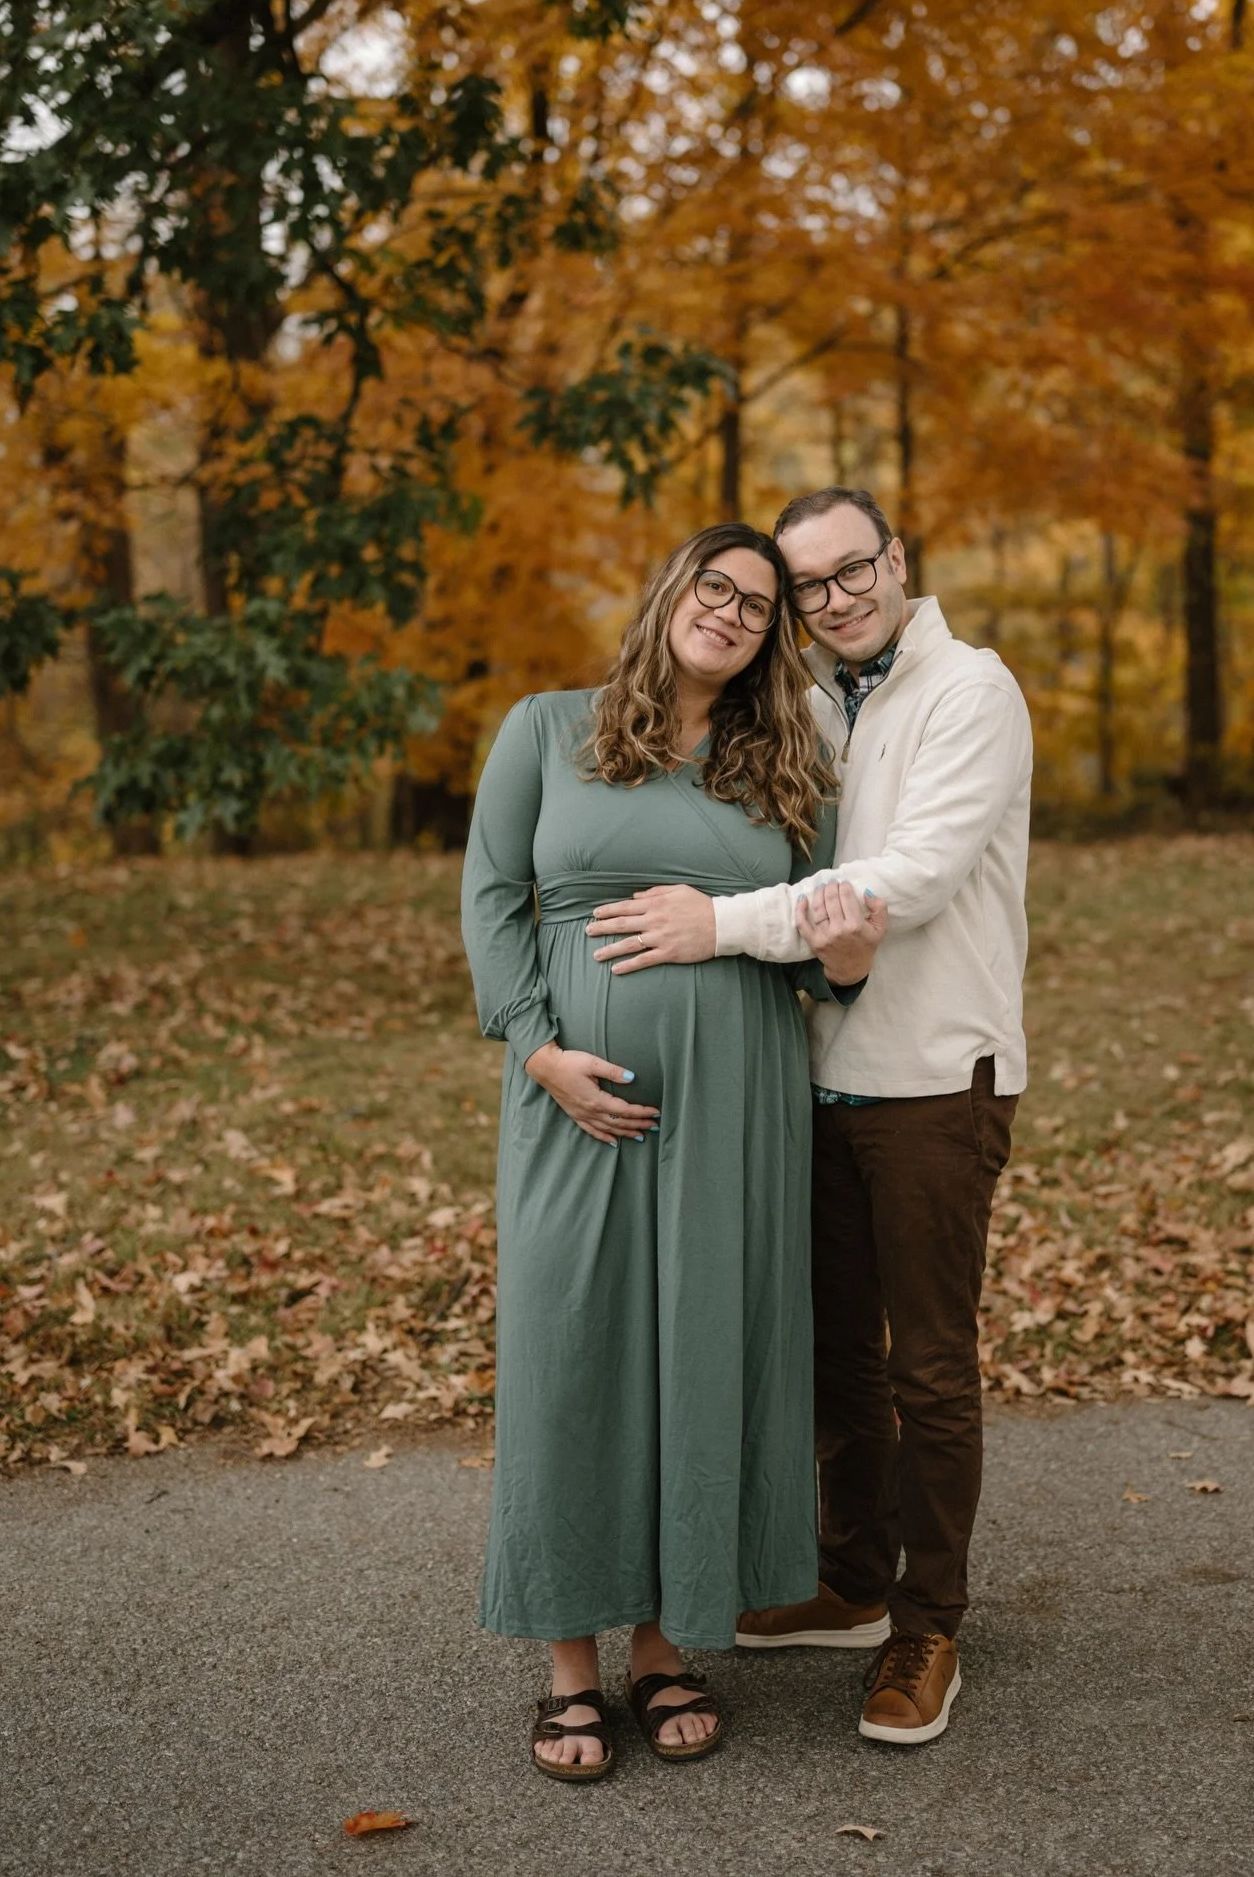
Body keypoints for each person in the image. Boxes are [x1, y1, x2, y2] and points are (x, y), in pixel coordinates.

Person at [586, 486, 1031, 1747]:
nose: (834, 599)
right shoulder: (814, 702)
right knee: (837, 1355)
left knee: (927, 1367)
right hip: (813, 1074)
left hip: (938, 1079)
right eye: (810, 585)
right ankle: (852, 1575)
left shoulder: (969, 690)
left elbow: (910, 881)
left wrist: (714, 924)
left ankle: (928, 1621)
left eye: (853, 572)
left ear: (898, 561)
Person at [461, 520, 885, 1782]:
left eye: (760, 607)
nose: (735, 614)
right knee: (572, 1342)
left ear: (770, 640)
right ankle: (568, 1663)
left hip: (738, 1102)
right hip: (571, 1097)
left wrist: (850, 957)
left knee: (696, 1348)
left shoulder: (779, 762)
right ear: (671, 594)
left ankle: (661, 1644)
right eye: (718, 588)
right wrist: (540, 1050)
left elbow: (816, 933)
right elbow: (491, 896)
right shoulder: (547, 725)